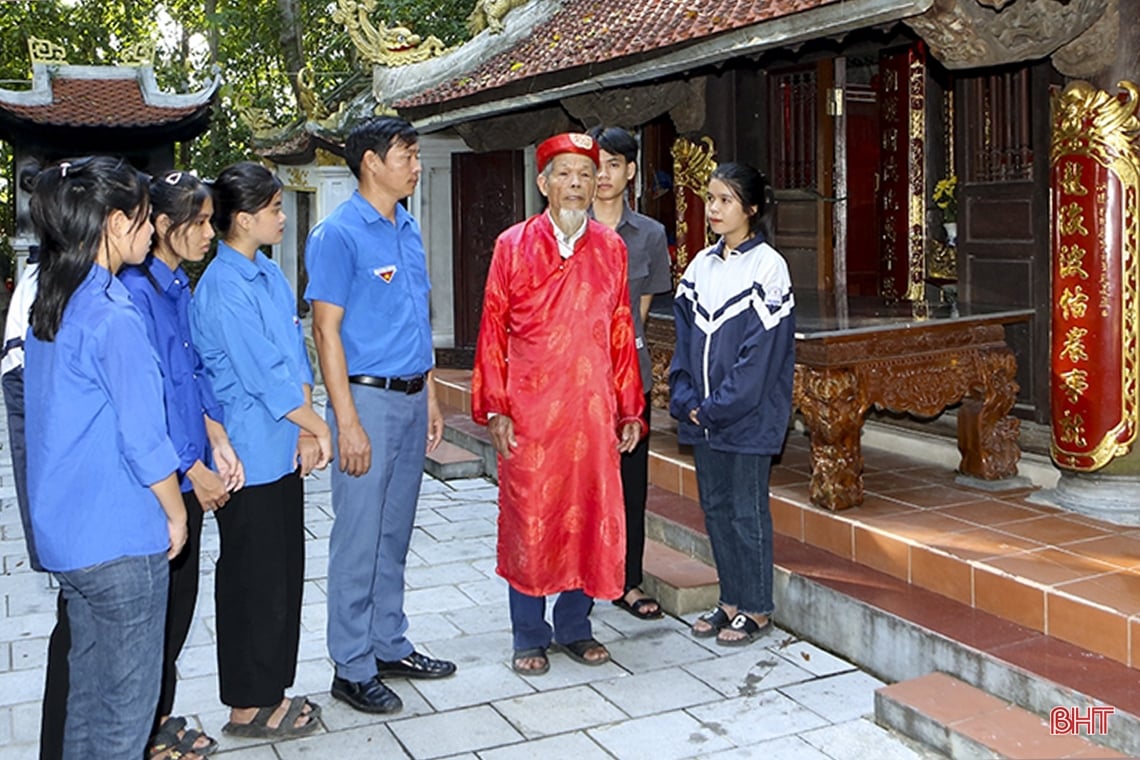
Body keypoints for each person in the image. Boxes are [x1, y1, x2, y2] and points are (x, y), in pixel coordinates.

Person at [24, 156, 186, 758]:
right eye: (145, 220)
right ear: (115, 224)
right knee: (125, 715)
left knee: (87, 702)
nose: (151, 232)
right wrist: (175, 514)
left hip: (68, 536)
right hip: (119, 537)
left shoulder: (53, 297)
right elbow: (145, 440)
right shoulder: (114, 315)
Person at [472, 132, 645, 675]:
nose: (576, 185)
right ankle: (528, 632)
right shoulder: (512, 245)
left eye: (586, 175)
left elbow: (621, 330)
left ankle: (575, 625)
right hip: (530, 409)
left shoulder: (612, 248)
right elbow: (493, 331)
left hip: (592, 411)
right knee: (531, 516)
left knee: (590, 514)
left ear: (599, 185)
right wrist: (496, 406)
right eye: (565, 174)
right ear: (543, 183)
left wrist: (630, 408)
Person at [305, 117, 454, 715]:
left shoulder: (408, 227)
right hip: (365, 400)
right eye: (408, 155)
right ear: (371, 161)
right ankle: (351, 662)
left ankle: (389, 642)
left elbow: (416, 319)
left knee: (393, 533)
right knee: (359, 537)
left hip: (413, 395)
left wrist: (435, 394)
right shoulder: (338, 234)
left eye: (418, 156)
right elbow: (325, 329)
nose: (416, 165)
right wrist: (346, 421)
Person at [189, 161, 331, 739]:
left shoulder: (267, 273)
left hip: (281, 447)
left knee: (281, 578)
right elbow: (262, 376)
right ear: (243, 219)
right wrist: (322, 426)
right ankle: (246, 704)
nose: (280, 215)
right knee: (250, 578)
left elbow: (294, 357)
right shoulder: (222, 288)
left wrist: (302, 429)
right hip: (245, 456)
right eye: (274, 209)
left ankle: (272, 689)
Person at [120, 170, 247, 759]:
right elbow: (140, 405)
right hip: (158, 486)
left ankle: (159, 715)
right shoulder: (135, 295)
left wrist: (216, 440)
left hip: (192, 467)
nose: (206, 232)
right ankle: (142, 729)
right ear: (163, 227)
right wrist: (188, 469)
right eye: (196, 222)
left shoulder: (177, 288)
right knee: (153, 617)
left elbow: (193, 379)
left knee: (177, 610)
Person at [669, 162, 795, 647]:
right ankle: (730, 600)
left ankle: (758, 607)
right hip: (703, 416)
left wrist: (716, 407)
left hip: (745, 417)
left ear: (752, 208)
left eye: (725, 200)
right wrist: (685, 398)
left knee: (747, 510)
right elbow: (683, 341)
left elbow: (758, 359)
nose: (714, 209)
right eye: (711, 198)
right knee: (716, 508)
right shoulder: (700, 265)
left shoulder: (769, 268)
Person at [588, 126, 673, 620]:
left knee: (630, 482)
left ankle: (628, 580)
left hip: (627, 378)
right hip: (572, 379)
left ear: (631, 171)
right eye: (597, 164)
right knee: (577, 482)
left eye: (615, 164)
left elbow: (638, 314)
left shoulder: (650, 236)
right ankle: (578, 577)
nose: (604, 175)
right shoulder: (563, 231)